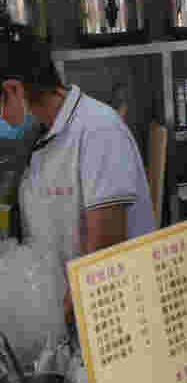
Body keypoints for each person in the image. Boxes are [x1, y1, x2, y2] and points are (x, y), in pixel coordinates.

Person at [0, 25, 155, 321]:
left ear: (14, 90)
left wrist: (52, 325)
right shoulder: (41, 135)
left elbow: (104, 253)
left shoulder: (98, 131)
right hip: (70, 319)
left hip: (113, 321)